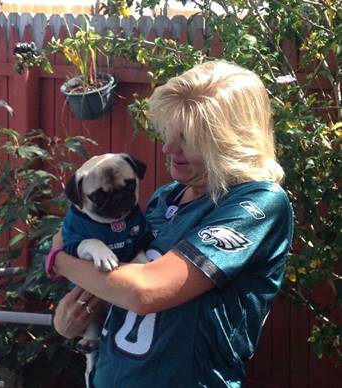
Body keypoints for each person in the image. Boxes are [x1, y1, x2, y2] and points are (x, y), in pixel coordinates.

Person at [48, 60, 294, 387]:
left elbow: (144, 291)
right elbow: (114, 283)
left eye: (187, 139)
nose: (168, 148)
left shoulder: (257, 203)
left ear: (229, 140)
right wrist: (72, 321)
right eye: (170, 134)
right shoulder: (165, 198)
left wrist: (59, 259)